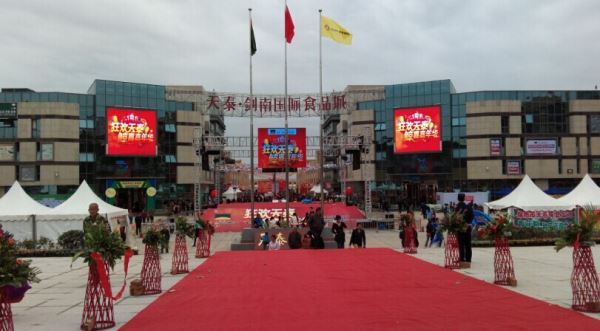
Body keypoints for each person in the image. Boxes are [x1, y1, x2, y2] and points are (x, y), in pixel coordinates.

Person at [456, 193, 474, 267]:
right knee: (468, 244)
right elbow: (472, 216)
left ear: (458, 198)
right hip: (467, 227)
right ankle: (468, 259)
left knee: (461, 244)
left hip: (460, 228)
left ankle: (462, 259)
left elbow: (454, 218)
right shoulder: (468, 207)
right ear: (464, 198)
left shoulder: (457, 207)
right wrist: (468, 223)